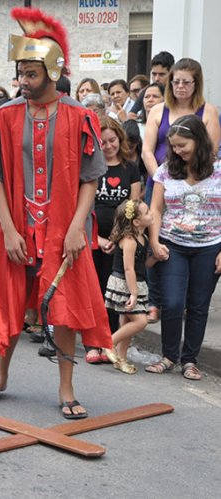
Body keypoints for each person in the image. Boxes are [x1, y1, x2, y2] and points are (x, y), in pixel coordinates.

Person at [0, 7, 111, 420]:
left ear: (52, 71)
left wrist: (75, 229)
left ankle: (66, 389)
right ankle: (0, 377)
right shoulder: (4, 116)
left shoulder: (80, 116)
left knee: (64, 306)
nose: (23, 82)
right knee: (10, 301)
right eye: (21, 73)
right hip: (15, 227)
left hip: (63, 230)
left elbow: (91, 178)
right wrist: (10, 230)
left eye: (31, 74)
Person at [141, 57, 220, 323]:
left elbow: (210, 152)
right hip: (163, 181)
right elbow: (147, 150)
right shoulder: (158, 110)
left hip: (199, 185)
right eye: (175, 81)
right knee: (158, 243)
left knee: (192, 242)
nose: (180, 86)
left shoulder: (207, 111)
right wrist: (164, 178)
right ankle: (156, 301)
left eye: (186, 82)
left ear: (196, 83)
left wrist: (186, 182)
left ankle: (188, 301)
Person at [146, 115, 221, 380]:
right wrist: (154, 241)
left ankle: (190, 360)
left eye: (182, 145)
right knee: (173, 302)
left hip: (210, 247)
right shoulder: (166, 169)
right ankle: (168, 356)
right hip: (172, 244)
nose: (177, 151)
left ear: (198, 140)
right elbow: (155, 208)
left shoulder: (219, 169)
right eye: (174, 146)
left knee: (199, 305)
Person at [85, 117, 141, 364]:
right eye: (103, 142)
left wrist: (117, 239)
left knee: (113, 293)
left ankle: (108, 341)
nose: (108, 146)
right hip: (92, 238)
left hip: (119, 242)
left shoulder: (130, 168)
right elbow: (84, 208)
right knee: (93, 291)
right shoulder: (91, 166)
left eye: (112, 141)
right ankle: (92, 343)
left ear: (120, 138)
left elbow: (133, 208)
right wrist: (96, 238)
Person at [102, 199, 155, 374]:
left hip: (136, 283)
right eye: (147, 212)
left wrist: (154, 258)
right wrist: (133, 293)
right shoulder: (130, 240)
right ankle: (108, 343)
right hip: (125, 285)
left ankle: (121, 357)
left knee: (127, 322)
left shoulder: (143, 237)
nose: (151, 214)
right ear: (137, 222)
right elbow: (128, 268)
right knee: (141, 321)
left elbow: (140, 264)